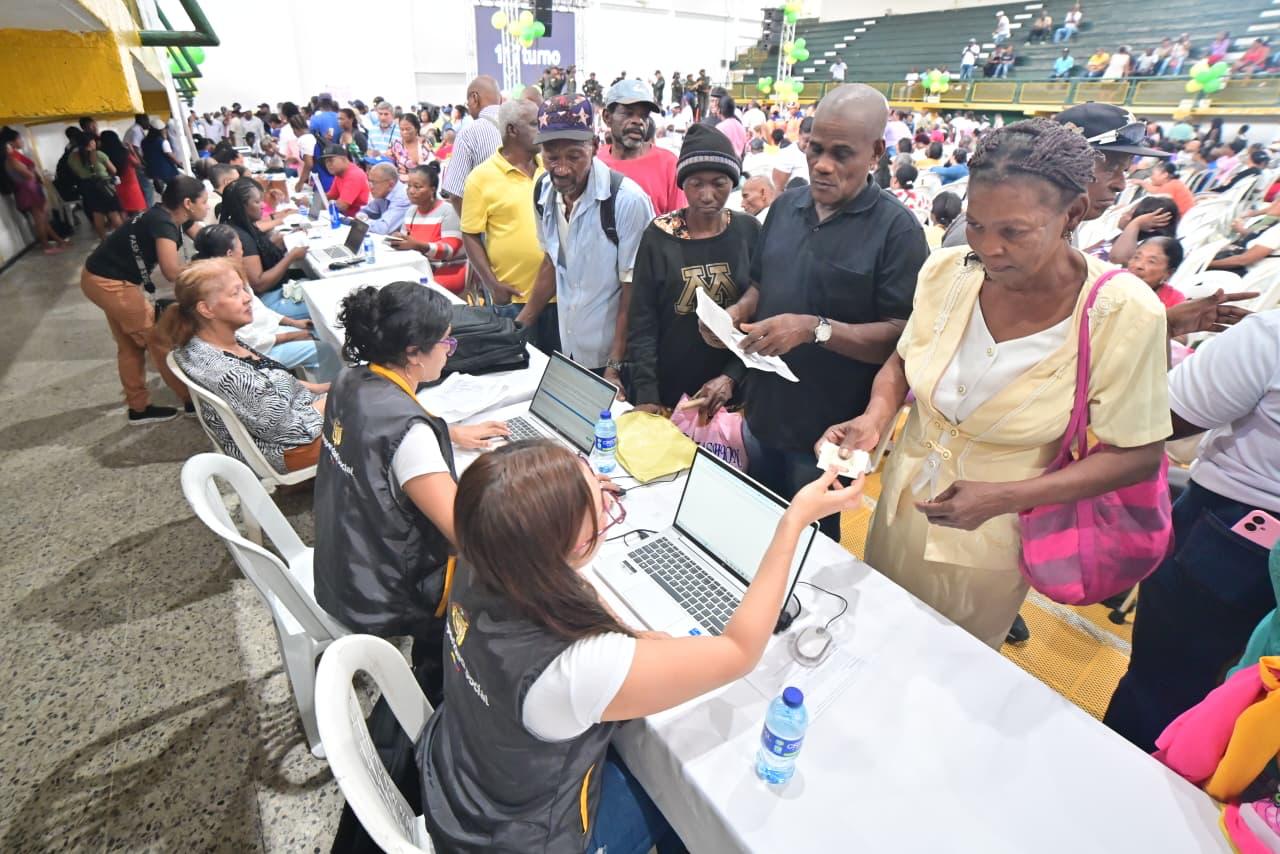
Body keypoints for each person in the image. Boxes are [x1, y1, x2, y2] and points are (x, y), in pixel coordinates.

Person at [821, 118, 1172, 649]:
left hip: (994, 537)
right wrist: (875, 419)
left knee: (945, 663)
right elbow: (902, 361)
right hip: (900, 507)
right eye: (977, 224)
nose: (988, 247)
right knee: (870, 632)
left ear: (1071, 215)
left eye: (1013, 231)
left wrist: (1007, 496)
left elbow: (1137, 454)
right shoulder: (947, 272)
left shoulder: (1121, 312)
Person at [418, 440, 862, 852]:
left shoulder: (484, 554)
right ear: (568, 547)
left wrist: (629, 640)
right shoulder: (576, 665)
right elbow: (739, 651)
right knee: (679, 792)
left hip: (460, 782)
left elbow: (580, 605)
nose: (610, 508)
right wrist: (793, 522)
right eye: (602, 510)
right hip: (518, 837)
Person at [704, 84, 928, 541]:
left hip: (828, 436)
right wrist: (733, 316)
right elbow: (762, 286)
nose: (823, 164)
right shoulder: (786, 207)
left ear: (876, 154)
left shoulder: (897, 232)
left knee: (810, 551)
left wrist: (815, 330)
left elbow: (902, 340)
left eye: (841, 153)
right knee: (753, 532)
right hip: (763, 415)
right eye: (816, 148)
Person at [1105, 309, 1280, 752]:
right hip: (1243, 535)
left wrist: (1155, 336)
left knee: (1162, 689)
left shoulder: (1270, 335)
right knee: (1251, 726)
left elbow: (1155, 417)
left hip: (1236, 538)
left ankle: (1109, 794)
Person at [515, 94, 655, 385]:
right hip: (569, 352)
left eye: (574, 156)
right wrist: (518, 327)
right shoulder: (543, 192)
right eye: (552, 157)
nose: (562, 168)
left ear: (594, 147)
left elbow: (634, 293)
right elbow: (552, 262)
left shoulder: (626, 201)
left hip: (613, 361)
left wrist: (614, 367)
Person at [627, 124, 759, 416]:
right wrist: (647, 392)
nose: (708, 195)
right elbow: (643, 320)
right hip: (671, 394)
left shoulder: (747, 231)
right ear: (682, 184)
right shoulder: (659, 236)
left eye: (719, 182)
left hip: (733, 394)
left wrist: (732, 377)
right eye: (697, 183)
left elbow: (762, 310)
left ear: (733, 182)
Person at [163, 257, 327, 471]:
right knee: (379, 410)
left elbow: (273, 380)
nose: (247, 298)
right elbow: (295, 431)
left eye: (244, 289)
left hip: (291, 423)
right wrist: (338, 397)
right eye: (235, 293)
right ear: (206, 309)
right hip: (291, 450)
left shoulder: (210, 341)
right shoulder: (229, 373)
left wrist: (323, 389)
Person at [81, 175, 207, 423]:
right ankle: (191, 403)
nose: (208, 206)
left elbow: (203, 236)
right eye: (204, 201)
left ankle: (138, 409)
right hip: (110, 283)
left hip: (96, 277)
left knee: (129, 346)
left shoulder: (168, 214)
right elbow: (171, 271)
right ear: (188, 203)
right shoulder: (165, 224)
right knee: (159, 341)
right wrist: (204, 267)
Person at [461, 99, 557, 348]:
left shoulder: (551, 171)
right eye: (535, 124)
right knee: (521, 371)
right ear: (512, 130)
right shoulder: (481, 178)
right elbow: (470, 235)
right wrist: (492, 284)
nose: (542, 129)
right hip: (514, 298)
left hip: (560, 295)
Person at [186, 224, 338, 380]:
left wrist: (293, 323)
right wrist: (293, 335)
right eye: (241, 247)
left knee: (321, 333)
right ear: (229, 253)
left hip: (266, 336)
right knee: (327, 349)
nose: (243, 251)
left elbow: (259, 309)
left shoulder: (229, 278)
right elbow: (250, 341)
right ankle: (334, 394)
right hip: (261, 349)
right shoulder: (220, 290)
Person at [218, 177, 309, 319]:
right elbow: (259, 284)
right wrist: (291, 257)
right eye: (257, 202)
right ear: (242, 206)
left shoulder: (239, 226)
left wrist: (280, 241)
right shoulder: (241, 238)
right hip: (268, 302)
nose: (263, 205)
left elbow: (260, 253)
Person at [597, 79, 686, 216]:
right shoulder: (595, 163)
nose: (638, 121)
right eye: (628, 113)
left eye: (644, 116)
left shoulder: (668, 163)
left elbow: (678, 224)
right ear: (607, 117)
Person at [388, 163, 467, 293]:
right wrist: (398, 240)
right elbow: (406, 243)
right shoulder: (411, 212)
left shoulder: (449, 211)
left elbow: (449, 251)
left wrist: (417, 245)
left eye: (417, 187)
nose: (411, 191)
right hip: (419, 268)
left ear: (433, 189)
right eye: (409, 186)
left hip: (448, 270)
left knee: (405, 293)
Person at [1, 127, 70, 253]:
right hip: (28, 191)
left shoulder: (15, 156)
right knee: (40, 220)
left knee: (43, 219)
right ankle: (46, 246)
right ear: (10, 143)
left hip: (30, 189)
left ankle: (58, 240)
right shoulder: (12, 158)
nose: (22, 141)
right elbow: (29, 175)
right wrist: (33, 171)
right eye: (19, 139)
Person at [441, 75, 502, 216]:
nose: (467, 106)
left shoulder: (469, 133)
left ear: (475, 98)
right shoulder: (522, 126)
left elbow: (456, 193)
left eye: (468, 100)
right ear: (499, 99)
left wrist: (473, 230)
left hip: (489, 228)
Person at [1085, 195, 1179, 265]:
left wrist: (1135, 224)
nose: (1124, 214)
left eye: (1130, 213)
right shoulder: (1117, 237)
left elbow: (1118, 259)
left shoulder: (1139, 248)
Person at [68, 134, 123, 238]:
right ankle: (123, 239)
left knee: (97, 214)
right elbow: (113, 170)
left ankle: (104, 240)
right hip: (104, 186)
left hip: (87, 187)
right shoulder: (98, 154)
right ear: (91, 142)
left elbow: (76, 172)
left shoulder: (72, 157)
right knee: (113, 213)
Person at [1125, 236, 1186, 309]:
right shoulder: (1112, 279)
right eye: (1136, 257)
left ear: (1169, 273)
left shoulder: (1174, 302)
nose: (1138, 265)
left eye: (1151, 261)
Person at [97, 130, 146, 215]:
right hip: (131, 183)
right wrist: (132, 150)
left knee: (123, 210)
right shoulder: (124, 152)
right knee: (137, 209)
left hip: (118, 185)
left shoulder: (103, 155)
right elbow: (137, 164)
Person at [357, 162, 412, 235]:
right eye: (370, 182)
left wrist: (362, 221)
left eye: (374, 183)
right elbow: (364, 212)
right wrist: (363, 218)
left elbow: (383, 229)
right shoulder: (383, 193)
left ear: (390, 184)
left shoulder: (403, 197)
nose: (371, 187)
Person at [321, 145, 370, 217]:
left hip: (360, 222)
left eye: (331, 160)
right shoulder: (339, 173)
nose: (328, 165)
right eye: (326, 162)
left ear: (344, 159)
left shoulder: (354, 174)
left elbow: (342, 205)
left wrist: (313, 203)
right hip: (349, 218)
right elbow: (331, 196)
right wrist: (312, 200)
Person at [772, 118, 812, 192]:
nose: (809, 145)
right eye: (806, 140)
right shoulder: (787, 155)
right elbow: (778, 189)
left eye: (812, 141)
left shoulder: (819, 154)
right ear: (799, 135)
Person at [389, 112, 434, 179]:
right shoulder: (396, 144)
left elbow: (431, 165)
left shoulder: (424, 144)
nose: (404, 132)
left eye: (408, 129)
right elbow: (389, 161)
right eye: (402, 129)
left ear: (416, 129)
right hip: (399, 183)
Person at [141, 118, 181, 189]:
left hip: (152, 171)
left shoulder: (143, 142)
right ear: (160, 131)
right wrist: (179, 164)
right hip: (167, 172)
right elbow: (170, 155)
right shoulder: (162, 142)